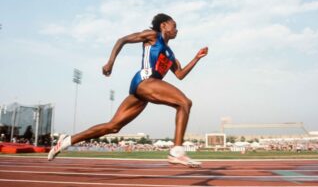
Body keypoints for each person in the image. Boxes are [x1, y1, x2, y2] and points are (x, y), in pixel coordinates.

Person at [48, 13, 208, 167]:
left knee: (113, 126)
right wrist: (110, 62)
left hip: (146, 91)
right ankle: (176, 151)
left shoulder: (171, 54)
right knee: (184, 103)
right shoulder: (152, 36)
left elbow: (180, 74)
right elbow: (122, 40)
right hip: (145, 82)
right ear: (164, 25)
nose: (177, 30)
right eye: (174, 26)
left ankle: (67, 141)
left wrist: (196, 58)